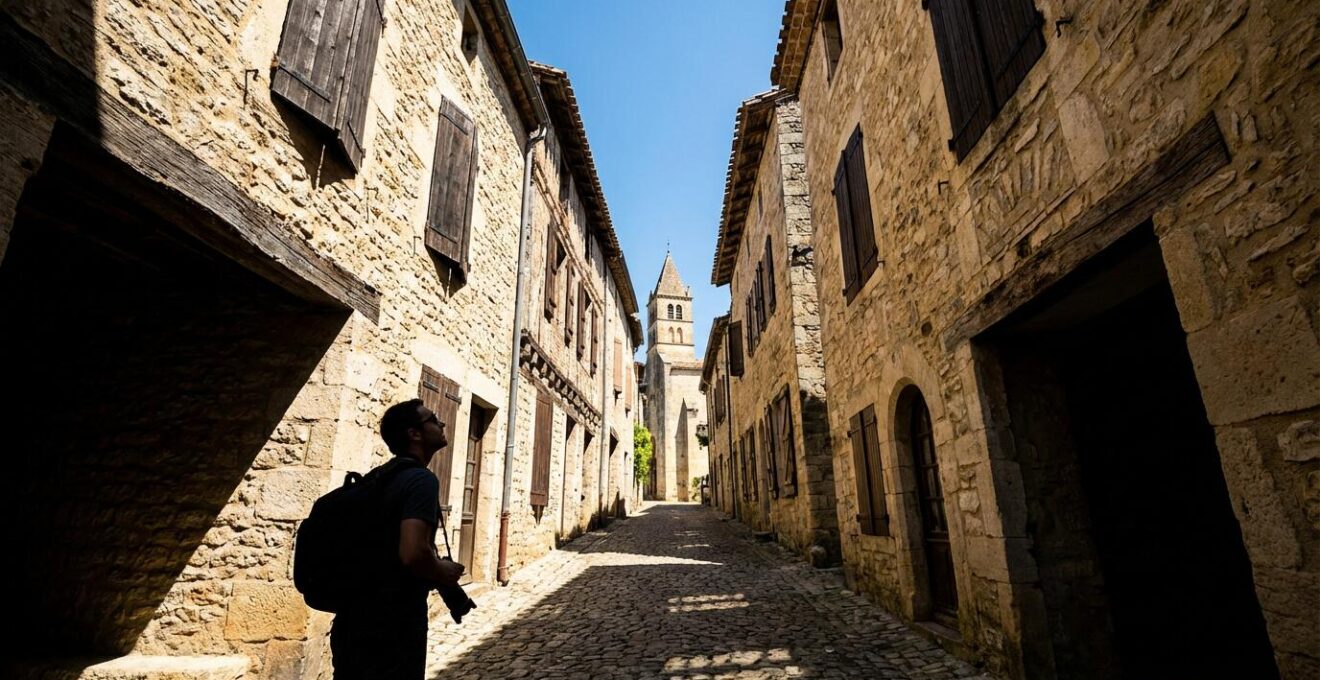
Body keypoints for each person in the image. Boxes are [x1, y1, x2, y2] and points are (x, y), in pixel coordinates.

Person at [330, 399, 466, 680]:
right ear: (414, 434)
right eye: (433, 419)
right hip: (393, 622)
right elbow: (413, 552)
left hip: (353, 618)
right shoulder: (420, 480)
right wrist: (444, 569)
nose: (441, 424)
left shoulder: (378, 478)